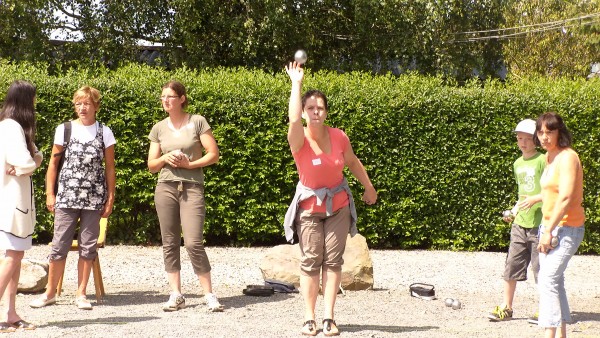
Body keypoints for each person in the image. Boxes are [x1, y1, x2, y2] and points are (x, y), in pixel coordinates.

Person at [283, 62, 377, 336]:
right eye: (310, 108)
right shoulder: (298, 137)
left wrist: (368, 187)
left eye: (320, 108)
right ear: (304, 111)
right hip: (310, 207)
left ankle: (329, 318)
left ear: (326, 111)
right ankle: (309, 317)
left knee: (334, 261)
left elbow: (353, 162)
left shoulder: (339, 136)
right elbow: (292, 120)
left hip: (338, 206)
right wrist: (296, 84)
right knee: (312, 260)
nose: (316, 112)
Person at [30, 86, 116, 310]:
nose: (82, 107)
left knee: (88, 247)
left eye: (87, 103)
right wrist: (50, 193)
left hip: (94, 198)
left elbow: (109, 168)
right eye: (78, 103)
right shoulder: (64, 129)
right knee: (59, 245)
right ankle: (50, 293)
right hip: (66, 197)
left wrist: (110, 197)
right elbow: (53, 164)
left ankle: (81, 294)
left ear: (96, 105)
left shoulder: (104, 132)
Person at [147, 80, 223, 312]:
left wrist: (190, 165)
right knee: (169, 242)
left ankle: (208, 294)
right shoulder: (159, 128)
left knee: (193, 242)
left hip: (191, 186)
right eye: (162, 97)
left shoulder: (197, 121)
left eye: (170, 96)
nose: (165, 100)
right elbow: (151, 165)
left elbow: (213, 154)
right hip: (166, 186)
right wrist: (165, 159)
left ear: (181, 98)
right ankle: (176, 294)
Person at [488, 119, 545, 323]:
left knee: (542, 269)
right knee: (511, 266)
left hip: (540, 224)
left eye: (527, 138)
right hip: (520, 223)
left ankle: (545, 308)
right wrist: (513, 211)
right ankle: (507, 307)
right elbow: (522, 194)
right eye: (519, 138)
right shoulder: (517, 163)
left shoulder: (543, 160)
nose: (522, 142)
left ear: (535, 139)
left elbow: (550, 191)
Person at [535, 112, 585, 338]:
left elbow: (565, 198)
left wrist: (547, 232)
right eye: (541, 132)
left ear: (559, 132)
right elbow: (550, 193)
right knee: (555, 280)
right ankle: (562, 335)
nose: (544, 137)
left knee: (547, 279)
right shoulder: (549, 157)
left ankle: (550, 335)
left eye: (549, 132)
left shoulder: (568, 157)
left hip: (567, 228)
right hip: (549, 227)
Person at [0, 80, 43, 332]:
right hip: (11, 202)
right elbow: (26, 161)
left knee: (13, 256)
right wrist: (31, 162)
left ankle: (11, 312)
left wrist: (31, 161)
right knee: (13, 256)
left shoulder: (12, 126)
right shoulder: (11, 127)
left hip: (13, 201)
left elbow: (32, 158)